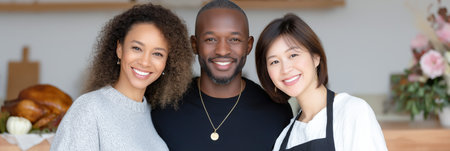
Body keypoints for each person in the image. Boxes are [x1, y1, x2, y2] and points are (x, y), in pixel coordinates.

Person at [151, 0, 293, 150]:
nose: (222, 50)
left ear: (248, 45)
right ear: (194, 44)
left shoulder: (277, 114)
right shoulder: (163, 108)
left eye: (234, 39)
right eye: (211, 39)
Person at [51, 3, 193, 151]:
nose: (145, 62)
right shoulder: (89, 108)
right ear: (119, 49)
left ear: (167, 62)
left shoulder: (153, 114)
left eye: (158, 54)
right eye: (137, 48)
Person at [255, 13, 387, 151]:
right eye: (274, 61)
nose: (285, 69)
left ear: (316, 57)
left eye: (293, 55)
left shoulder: (352, 112)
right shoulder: (284, 138)